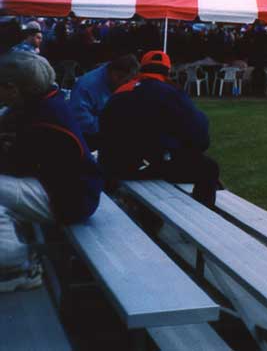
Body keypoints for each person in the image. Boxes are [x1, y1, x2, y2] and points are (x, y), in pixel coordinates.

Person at [0, 51, 102, 292]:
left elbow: (15, 165)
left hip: (70, 201)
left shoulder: (45, 116)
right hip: (59, 188)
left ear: (13, 89)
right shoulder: (42, 102)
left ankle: (19, 267)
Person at [99, 51, 220, 207]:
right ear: (168, 72)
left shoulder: (121, 91)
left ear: (141, 69)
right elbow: (201, 137)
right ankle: (202, 215)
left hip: (113, 166)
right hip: (146, 167)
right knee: (209, 168)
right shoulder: (172, 93)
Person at [68, 54, 139, 147]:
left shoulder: (119, 78)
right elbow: (82, 122)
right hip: (90, 139)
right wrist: (113, 126)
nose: (128, 86)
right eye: (126, 81)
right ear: (116, 75)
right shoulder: (86, 87)